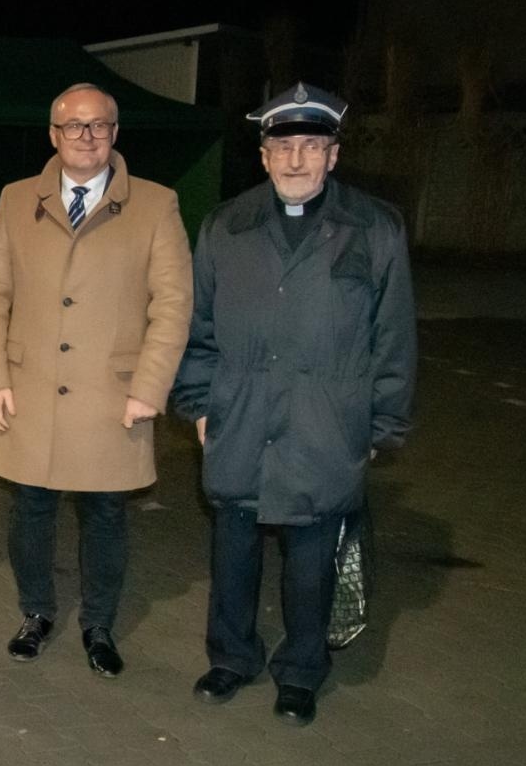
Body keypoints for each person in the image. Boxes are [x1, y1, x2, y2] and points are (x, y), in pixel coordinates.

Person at [172, 82, 416, 727]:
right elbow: (197, 328)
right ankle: (231, 657)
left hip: (325, 423)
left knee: (311, 563)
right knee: (233, 553)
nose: (297, 160)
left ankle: (302, 671)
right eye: (284, 146)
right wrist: (199, 404)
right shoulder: (226, 225)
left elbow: (394, 336)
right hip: (241, 416)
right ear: (263, 155)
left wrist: (380, 425)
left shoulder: (374, 227)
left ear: (334, 155)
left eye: (312, 146)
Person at [0, 83, 192, 677]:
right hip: (31, 389)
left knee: (105, 515)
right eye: (74, 126)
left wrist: (150, 387)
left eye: (99, 125)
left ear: (115, 133)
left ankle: (99, 623)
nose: (86, 136)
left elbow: (173, 303)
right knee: (32, 510)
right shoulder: (16, 199)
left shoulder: (156, 204)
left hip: (111, 398)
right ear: (53, 135)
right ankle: (37, 613)